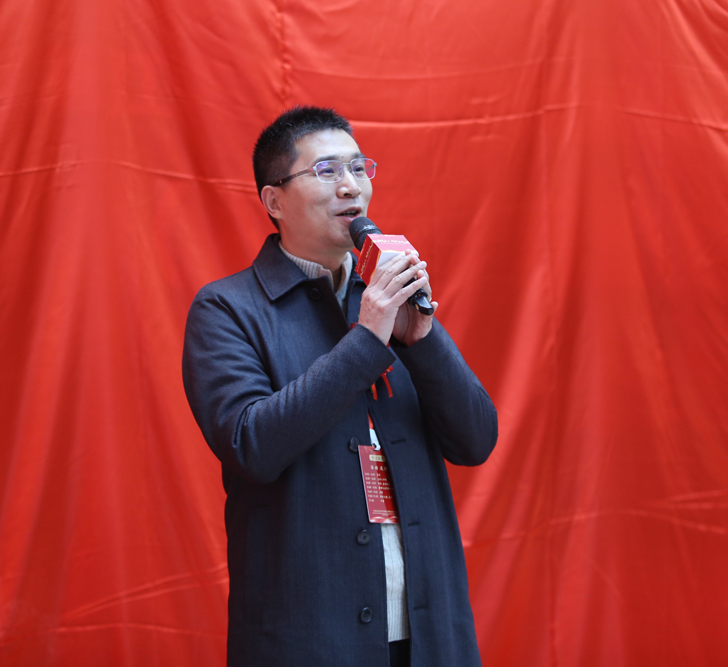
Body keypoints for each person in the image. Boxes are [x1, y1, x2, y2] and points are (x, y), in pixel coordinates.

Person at [182, 106, 497, 667]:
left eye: (358, 168)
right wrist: (367, 339)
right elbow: (252, 446)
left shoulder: (387, 297)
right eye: (326, 171)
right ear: (274, 200)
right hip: (309, 639)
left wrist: (422, 340)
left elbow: (475, 441)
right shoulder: (227, 309)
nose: (351, 186)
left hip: (430, 637)